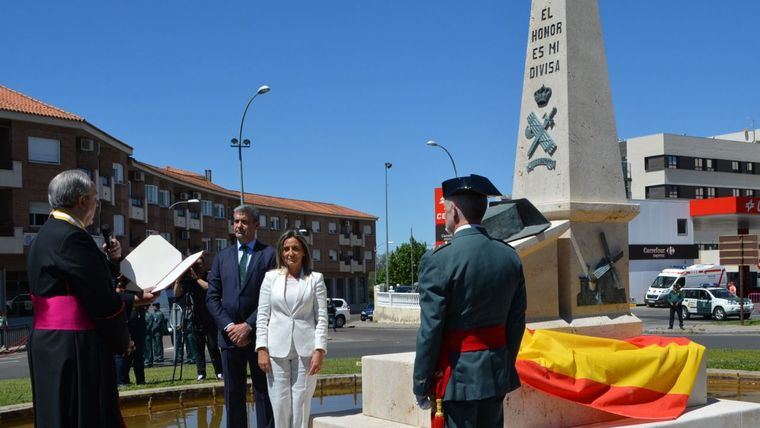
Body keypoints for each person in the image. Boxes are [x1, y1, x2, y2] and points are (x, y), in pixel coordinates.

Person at [413, 174, 526, 428]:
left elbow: (431, 329)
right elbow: (516, 322)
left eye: (445, 208)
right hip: (495, 373)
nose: (444, 214)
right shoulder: (510, 257)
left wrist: (421, 383)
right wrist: (503, 363)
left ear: (454, 210)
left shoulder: (439, 260)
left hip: (457, 377)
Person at [26, 169, 132, 427]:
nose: (97, 206)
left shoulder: (46, 234)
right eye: (96, 199)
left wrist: (111, 262)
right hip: (74, 345)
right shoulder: (73, 236)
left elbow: (73, 284)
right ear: (82, 200)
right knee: (84, 415)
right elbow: (102, 302)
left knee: (57, 414)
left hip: (50, 342)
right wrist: (123, 338)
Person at [207, 204, 276, 428]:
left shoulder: (269, 255)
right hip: (229, 339)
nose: (238, 226)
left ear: (256, 224)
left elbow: (273, 298)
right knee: (233, 395)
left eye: (244, 221)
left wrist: (248, 326)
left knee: (263, 393)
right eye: (236, 221)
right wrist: (230, 327)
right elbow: (212, 298)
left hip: (260, 338)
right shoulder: (222, 257)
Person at [256, 230, 328, 428]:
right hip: (276, 349)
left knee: (301, 402)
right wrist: (261, 347)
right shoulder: (270, 278)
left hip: (306, 349)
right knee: (279, 403)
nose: (290, 253)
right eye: (286, 249)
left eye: (295, 248)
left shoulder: (316, 279)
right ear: (281, 252)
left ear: (303, 252)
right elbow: (263, 315)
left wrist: (320, 350)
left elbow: (321, 316)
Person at [174, 256, 223, 381]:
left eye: (200, 264)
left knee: (213, 346)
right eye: (196, 265)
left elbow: (209, 287)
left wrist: (196, 278)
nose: (198, 267)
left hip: (210, 316)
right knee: (198, 347)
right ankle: (201, 372)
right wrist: (178, 280)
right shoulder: (189, 280)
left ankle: (219, 371)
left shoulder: (209, 275)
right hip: (196, 317)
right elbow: (177, 294)